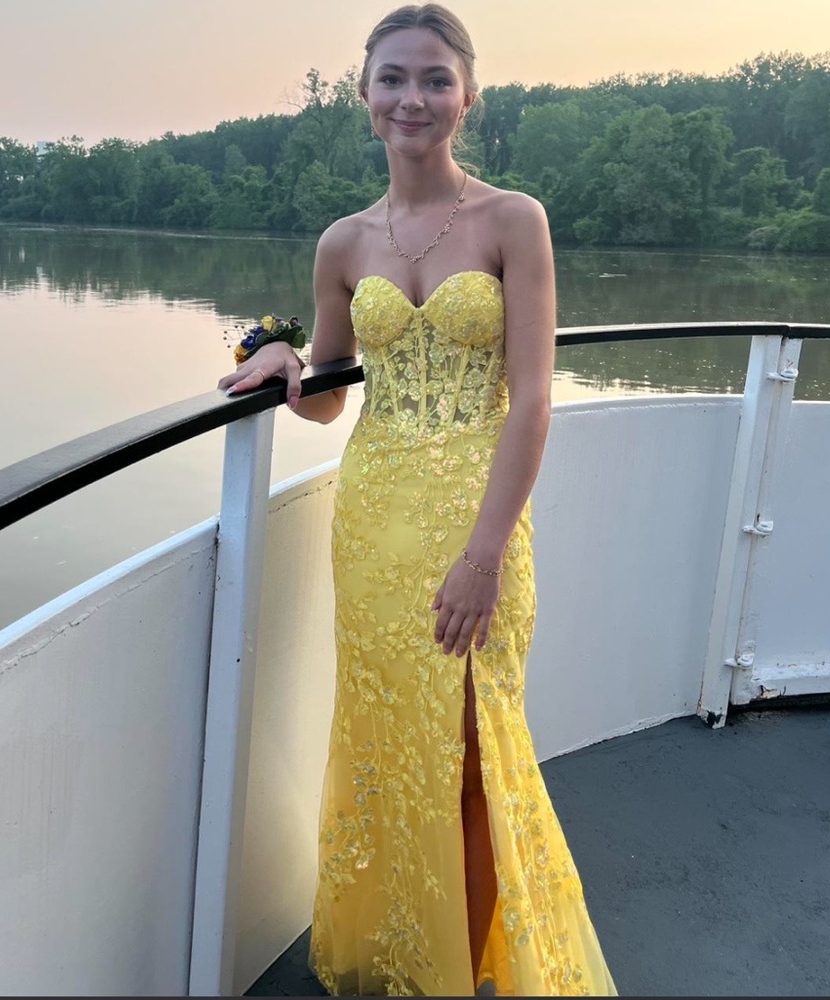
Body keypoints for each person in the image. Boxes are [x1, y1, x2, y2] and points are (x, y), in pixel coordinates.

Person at [219, 4, 617, 995]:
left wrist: (485, 555)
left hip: (479, 524)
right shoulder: (342, 242)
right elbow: (328, 395)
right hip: (374, 523)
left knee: (476, 749)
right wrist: (274, 354)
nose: (413, 98)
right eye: (392, 78)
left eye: (435, 78)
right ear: (364, 97)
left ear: (467, 96)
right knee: (393, 748)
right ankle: (411, 956)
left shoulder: (513, 219)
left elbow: (532, 402)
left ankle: (468, 972)